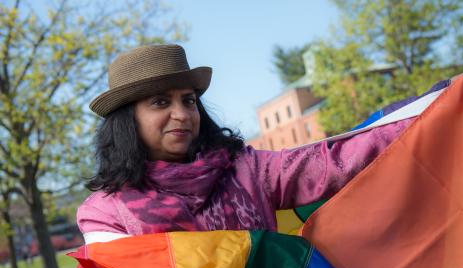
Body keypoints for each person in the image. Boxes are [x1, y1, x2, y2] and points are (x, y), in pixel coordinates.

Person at [77, 44, 421, 241]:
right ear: (127, 120)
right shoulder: (105, 214)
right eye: (161, 103)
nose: (182, 114)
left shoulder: (246, 171)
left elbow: (336, 158)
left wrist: (436, 106)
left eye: (189, 100)